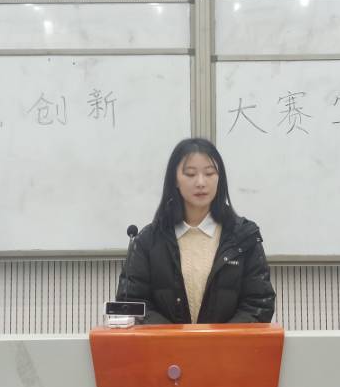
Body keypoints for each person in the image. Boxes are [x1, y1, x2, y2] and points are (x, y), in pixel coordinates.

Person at [116, 137, 275, 324]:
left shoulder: (243, 237)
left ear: (219, 178)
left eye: (209, 173)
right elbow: (132, 304)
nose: (201, 182)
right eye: (190, 174)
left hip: (227, 344)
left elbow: (258, 304)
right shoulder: (148, 241)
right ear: (175, 180)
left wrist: (217, 340)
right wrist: (177, 339)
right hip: (165, 344)